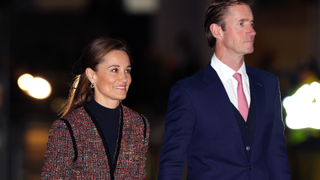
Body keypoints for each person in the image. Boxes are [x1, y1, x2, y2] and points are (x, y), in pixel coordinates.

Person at [158, 0, 291, 179]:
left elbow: (277, 154)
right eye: (241, 23)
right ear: (217, 31)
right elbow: (173, 162)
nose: (252, 31)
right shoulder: (188, 92)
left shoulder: (268, 84)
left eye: (251, 23)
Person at [41, 37, 150, 179]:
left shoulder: (139, 125)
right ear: (92, 75)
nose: (124, 78)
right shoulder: (68, 128)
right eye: (115, 70)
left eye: (127, 70)